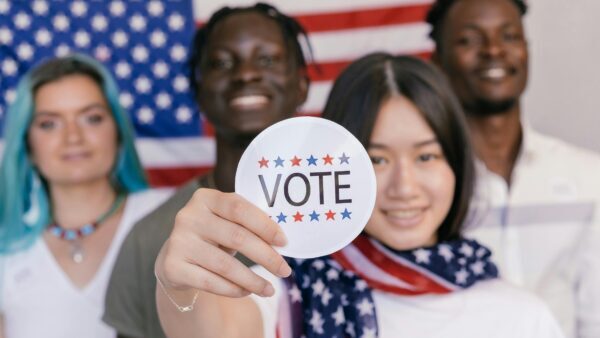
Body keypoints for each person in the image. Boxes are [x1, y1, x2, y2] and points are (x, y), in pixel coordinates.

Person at [153, 53, 564, 338]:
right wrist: (179, 286)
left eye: (426, 156)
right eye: (376, 160)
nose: (404, 187)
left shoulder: (522, 317)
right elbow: (210, 329)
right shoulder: (281, 289)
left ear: (456, 164)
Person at [102, 3, 310, 338]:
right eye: (222, 63)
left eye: (267, 59)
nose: (245, 74)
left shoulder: (352, 220)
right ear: (197, 92)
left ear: (302, 85)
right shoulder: (151, 237)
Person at [426, 0, 600, 336]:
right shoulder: (422, 187)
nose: (493, 50)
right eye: (469, 40)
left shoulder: (590, 177)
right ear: (438, 62)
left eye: (509, 36)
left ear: (526, 50)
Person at [0, 54, 172, 338]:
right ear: (27, 144)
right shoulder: (8, 249)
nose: (73, 137)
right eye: (49, 124)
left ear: (117, 131)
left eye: (91, 118)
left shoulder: (169, 215)